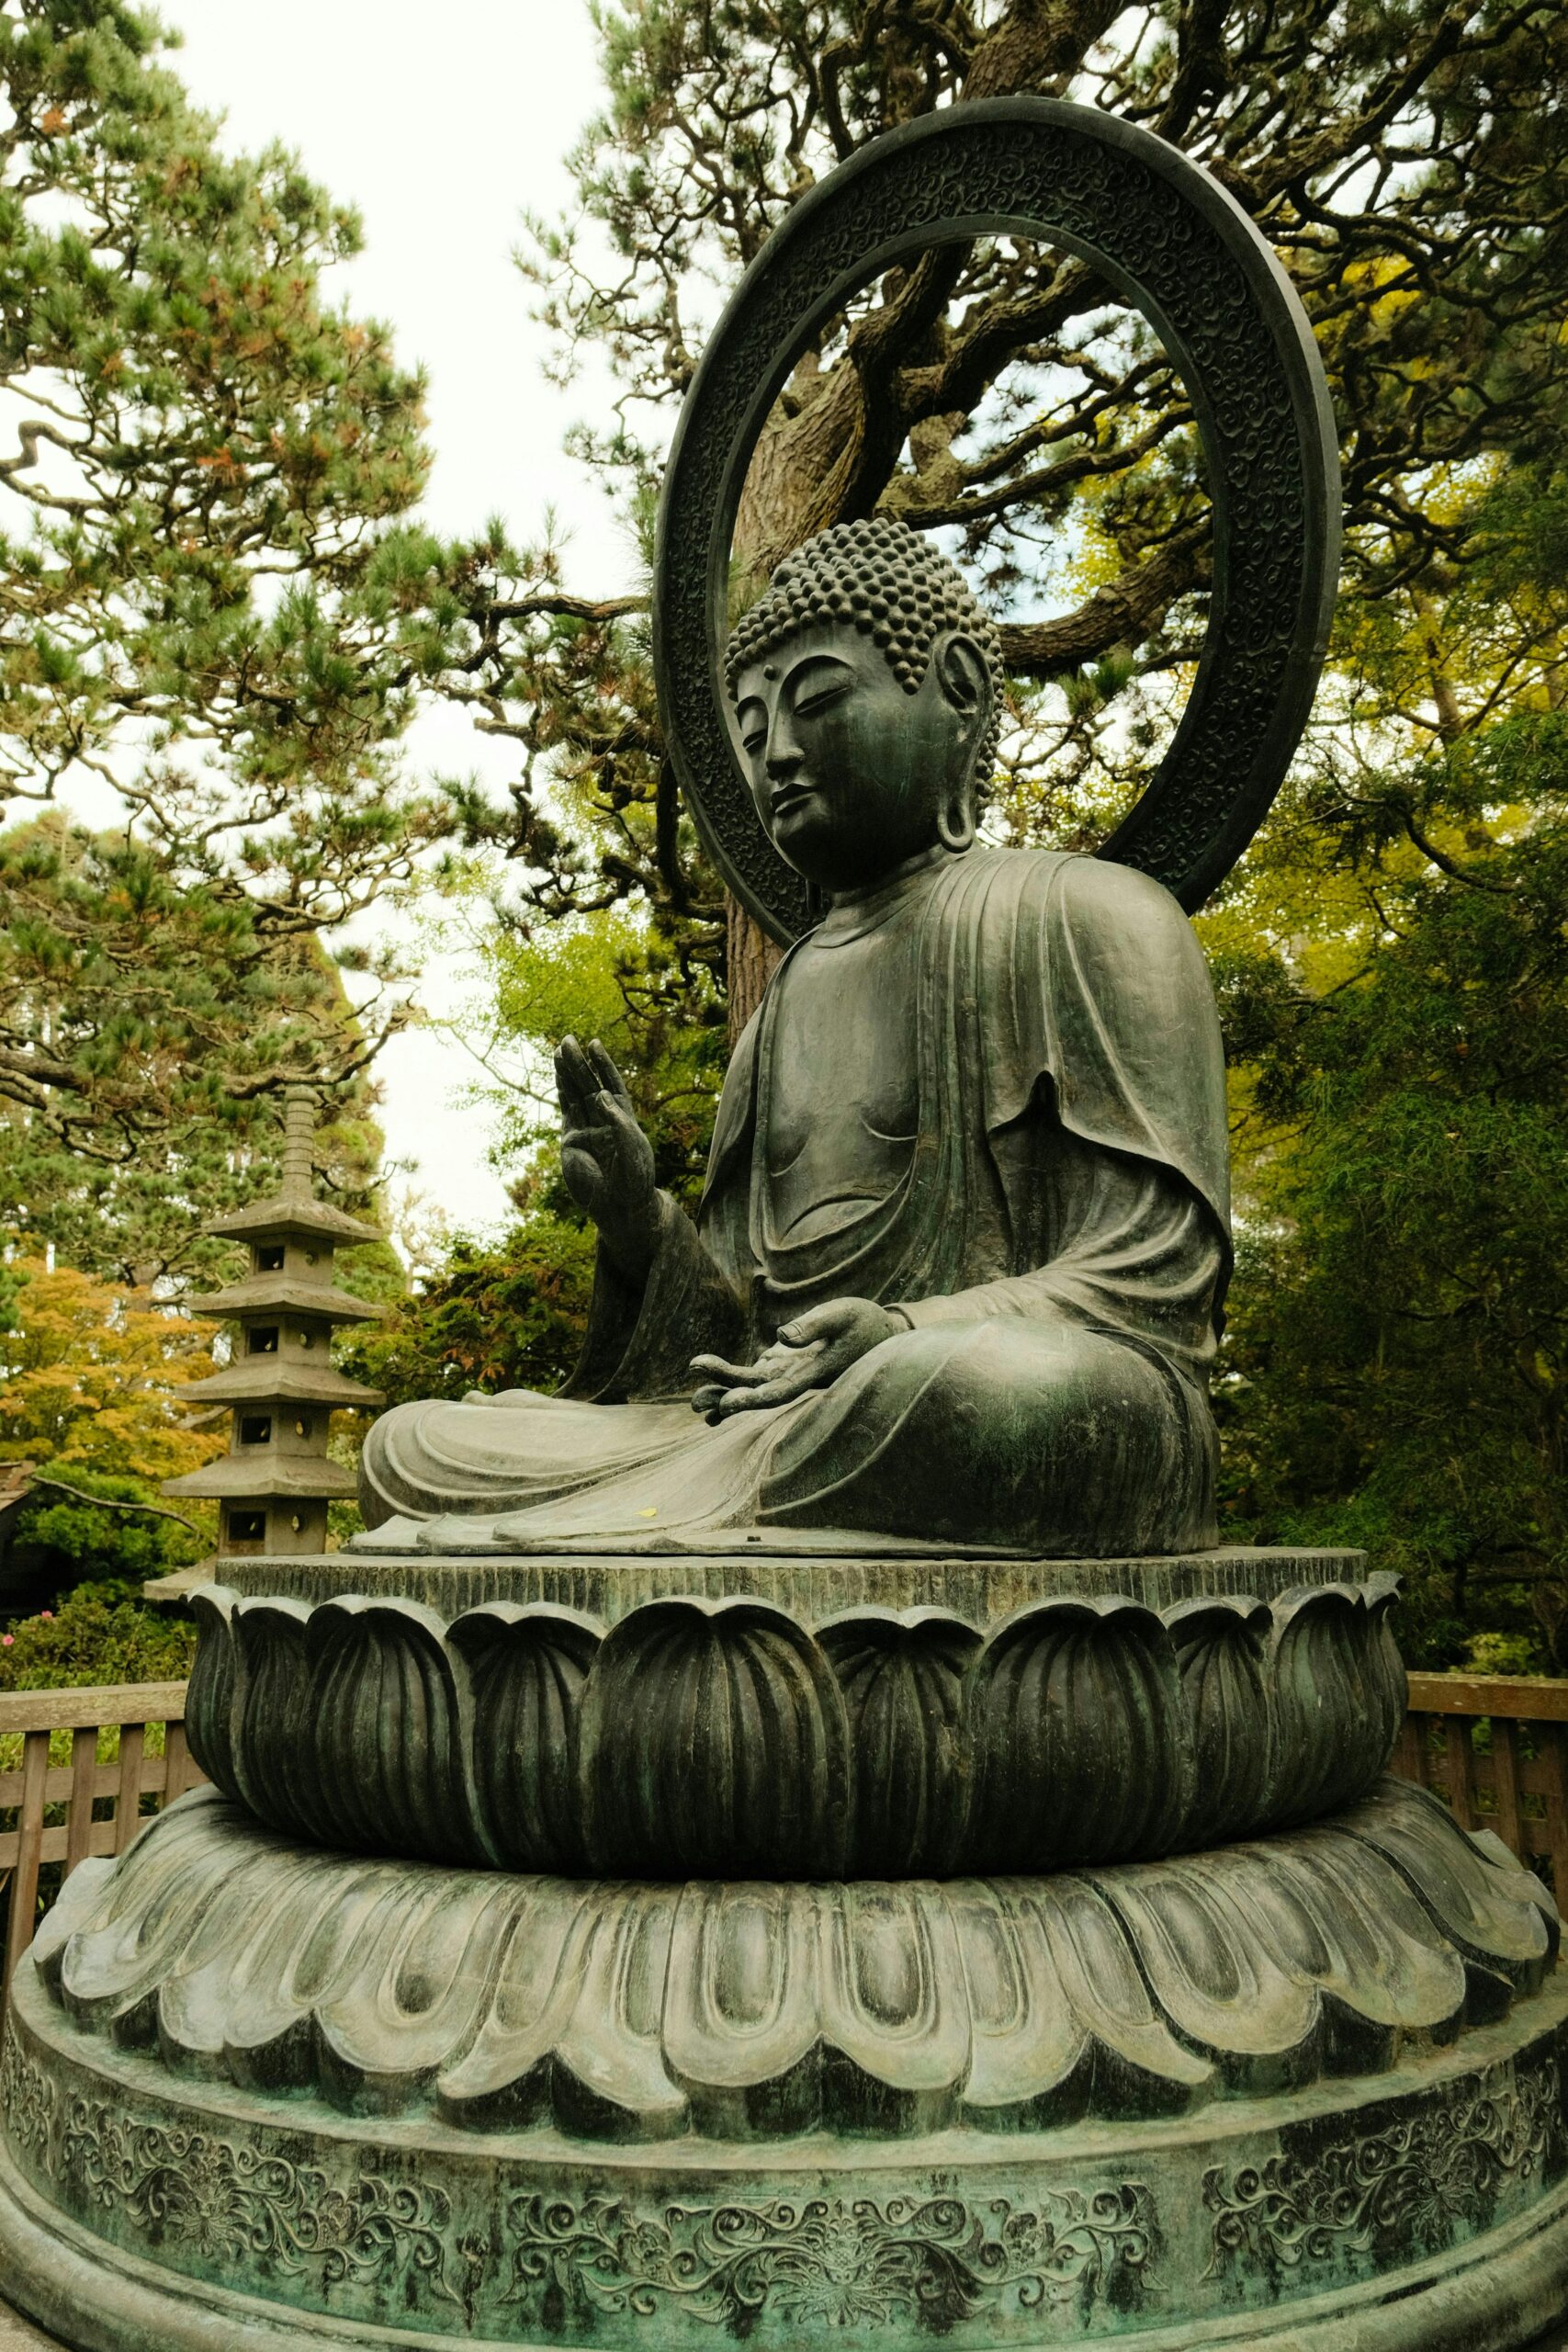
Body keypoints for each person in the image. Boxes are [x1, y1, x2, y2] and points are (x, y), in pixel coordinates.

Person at [357, 516, 1231, 1556]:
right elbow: (733, 1337)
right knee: (410, 1446)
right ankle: (682, 1511)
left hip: (978, 1390)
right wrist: (641, 1228)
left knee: (987, 1396)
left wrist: (905, 1330)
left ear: (955, 690)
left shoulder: (1089, 917)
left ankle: (675, 1517)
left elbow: (1156, 1281)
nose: (776, 750)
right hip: (771, 1426)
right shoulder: (780, 1010)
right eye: (754, 720)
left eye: (816, 701)